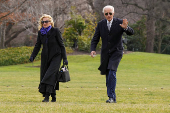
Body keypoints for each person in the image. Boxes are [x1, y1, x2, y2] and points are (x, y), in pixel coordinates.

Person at [90, 5, 134, 103]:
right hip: (105, 53)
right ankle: (111, 96)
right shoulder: (101, 24)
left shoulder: (119, 22)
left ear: (113, 13)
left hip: (117, 52)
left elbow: (131, 32)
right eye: (106, 14)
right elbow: (95, 38)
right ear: (104, 14)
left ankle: (112, 97)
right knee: (108, 75)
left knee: (112, 71)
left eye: (110, 13)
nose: (108, 15)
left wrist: (126, 28)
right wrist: (93, 49)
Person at [29, 14, 68, 102]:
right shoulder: (40, 32)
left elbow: (62, 45)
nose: (44, 23)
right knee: (48, 75)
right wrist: (33, 56)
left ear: (50, 22)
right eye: (43, 22)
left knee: (49, 75)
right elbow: (37, 46)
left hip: (56, 56)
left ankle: (47, 96)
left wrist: (65, 58)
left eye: (46, 21)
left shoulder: (56, 31)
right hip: (45, 57)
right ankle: (53, 96)